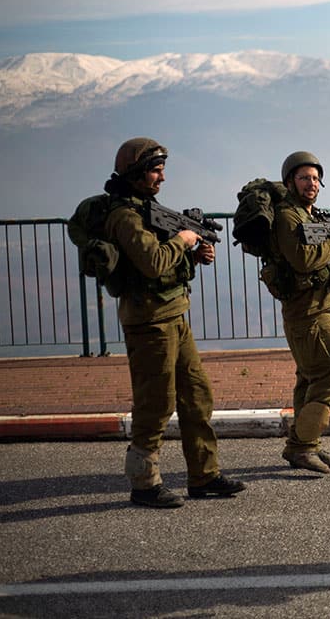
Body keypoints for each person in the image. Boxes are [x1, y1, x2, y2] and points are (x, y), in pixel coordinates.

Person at [101, 137, 245, 508]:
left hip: (173, 314)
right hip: (148, 322)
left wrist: (195, 256)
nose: (161, 177)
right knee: (156, 403)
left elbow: (164, 265)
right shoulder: (125, 216)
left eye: (162, 168)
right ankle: (144, 483)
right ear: (134, 173)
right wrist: (183, 241)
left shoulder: (148, 209)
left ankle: (204, 475)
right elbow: (151, 262)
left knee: (197, 396)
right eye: (154, 169)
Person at [272, 151, 330, 474]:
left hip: (324, 306)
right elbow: (303, 261)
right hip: (306, 311)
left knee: (310, 378)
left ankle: (307, 444)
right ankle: (302, 445)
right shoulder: (288, 217)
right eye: (305, 178)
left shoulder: (311, 214)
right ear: (291, 181)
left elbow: (329, 268)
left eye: (316, 178)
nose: (312, 184)